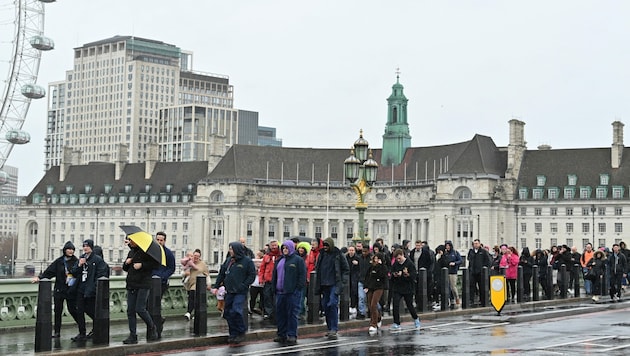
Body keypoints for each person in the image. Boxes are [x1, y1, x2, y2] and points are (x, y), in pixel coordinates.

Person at [31, 241, 79, 338]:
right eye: (69, 249)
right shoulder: (59, 261)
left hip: (71, 290)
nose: (71, 251)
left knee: (73, 310)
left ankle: (82, 329)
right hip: (59, 289)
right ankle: (57, 332)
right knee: (58, 311)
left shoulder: (76, 261)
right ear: (64, 250)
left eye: (72, 249)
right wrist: (40, 278)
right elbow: (49, 272)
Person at [212, 241, 256, 344]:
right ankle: (233, 332)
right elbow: (221, 274)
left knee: (236, 310)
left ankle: (241, 331)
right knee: (227, 312)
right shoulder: (228, 261)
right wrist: (216, 286)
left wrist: (244, 285)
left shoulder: (247, 261)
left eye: (231, 249)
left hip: (240, 291)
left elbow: (251, 276)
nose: (230, 251)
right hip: (229, 291)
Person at [122, 236, 160, 344]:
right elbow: (125, 268)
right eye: (129, 240)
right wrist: (126, 263)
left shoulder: (147, 251)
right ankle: (133, 335)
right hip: (131, 283)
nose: (129, 242)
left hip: (143, 283)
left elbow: (155, 265)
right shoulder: (131, 252)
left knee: (140, 308)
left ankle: (152, 326)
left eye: (131, 240)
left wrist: (142, 265)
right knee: (130, 310)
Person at [70, 239, 109, 342]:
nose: (85, 248)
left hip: (91, 290)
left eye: (87, 246)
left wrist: (94, 287)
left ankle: (98, 328)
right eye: (84, 246)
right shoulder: (82, 258)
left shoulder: (97, 260)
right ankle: (82, 333)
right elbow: (73, 272)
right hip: (81, 289)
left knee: (91, 310)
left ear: (91, 247)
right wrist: (79, 265)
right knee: (79, 311)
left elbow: (101, 275)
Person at [271, 240, 306, 346]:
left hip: (292, 292)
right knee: (281, 314)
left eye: (286, 248)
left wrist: (297, 289)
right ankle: (281, 334)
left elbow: (302, 275)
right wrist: (274, 288)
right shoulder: (279, 260)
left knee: (292, 314)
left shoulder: (298, 260)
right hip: (280, 292)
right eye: (283, 248)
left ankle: (292, 335)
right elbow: (275, 275)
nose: (285, 250)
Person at [314, 237, 349, 340]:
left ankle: (334, 328)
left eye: (327, 245)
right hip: (324, 285)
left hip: (334, 283)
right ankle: (329, 328)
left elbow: (346, 269)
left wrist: (342, 283)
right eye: (324, 245)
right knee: (325, 306)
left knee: (332, 304)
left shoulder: (338, 254)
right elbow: (318, 268)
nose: (325, 247)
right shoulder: (321, 255)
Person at [389, 248, 421, 331]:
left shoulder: (409, 263)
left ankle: (416, 318)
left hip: (407, 287)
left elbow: (413, 276)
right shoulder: (395, 264)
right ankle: (396, 323)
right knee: (395, 305)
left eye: (399, 258)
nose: (398, 260)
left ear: (403, 255)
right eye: (397, 259)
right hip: (398, 287)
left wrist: (405, 274)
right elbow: (391, 273)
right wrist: (395, 275)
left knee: (409, 305)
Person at [182, 249, 210, 321]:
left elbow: (207, 274)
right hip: (189, 283)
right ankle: (195, 313)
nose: (196, 257)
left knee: (192, 296)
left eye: (198, 256)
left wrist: (209, 284)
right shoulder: (189, 262)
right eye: (195, 256)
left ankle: (188, 313)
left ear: (200, 257)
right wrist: (185, 273)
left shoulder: (203, 264)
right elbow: (183, 271)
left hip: (198, 284)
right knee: (193, 299)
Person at [364, 252, 387, 333]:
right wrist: (366, 286)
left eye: (377, 259)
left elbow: (382, 275)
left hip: (379, 287)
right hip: (371, 287)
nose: (376, 260)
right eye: (375, 258)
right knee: (370, 305)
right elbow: (367, 277)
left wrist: (380, 266)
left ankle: (373, 324)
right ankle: (378, 317)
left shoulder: (383, 267)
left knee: (374, 304)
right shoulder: (371, 267)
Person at [258, 239, 281, 321]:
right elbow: (262, 268)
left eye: (275, 245)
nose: (274, 247)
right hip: (268, 280)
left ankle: (276, 313)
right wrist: (261, 279)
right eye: (272, 246)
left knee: (276, 297)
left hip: (278, 281)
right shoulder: (267, 256)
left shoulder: (281, 256)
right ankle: (269, 313)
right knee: (267, 297)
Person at [467, 239, 492, 306]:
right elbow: (469, 260)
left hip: (481, 272)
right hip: (473, 272)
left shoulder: (483, 251)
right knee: (471, 286)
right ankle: (471, 300)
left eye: (477, 243)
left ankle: (482, 300)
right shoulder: (471, 251)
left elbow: (488, 261)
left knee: (481, 287)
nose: (475, 245)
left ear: (479, 244)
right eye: (474, 243)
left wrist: (485, 269)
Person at [152, 232, 176, 298]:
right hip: (150, 281)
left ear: (164, 241)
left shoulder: (168, 253)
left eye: (161, 240)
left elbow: (172, 268)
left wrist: (162, 276)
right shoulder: (151, 252)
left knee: (156, 302)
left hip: (161, 283)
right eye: (157, 240)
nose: (159, 242)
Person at [444, 241, 462, 306]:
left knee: (453, 286)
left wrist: (454, 263)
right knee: (447, 287)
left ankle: (457, 298)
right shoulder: (445, 253)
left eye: (448, 246)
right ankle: (451, 299)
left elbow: (460, 260)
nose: (447, 247)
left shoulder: (455, 253)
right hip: (446, 271)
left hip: (453, 271)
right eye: (446, 246)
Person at [345, 245, 361, 316]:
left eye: (352, 250)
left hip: (355, 276)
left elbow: (361, 267)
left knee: (354, 291)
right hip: (347, 276)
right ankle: (350, 306)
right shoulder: (345, 257)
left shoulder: (357, 258)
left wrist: (357, 264)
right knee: (347, 291)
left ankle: (354, 306)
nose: (351, 252)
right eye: (350, 250)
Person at [249, 251, 264, 315]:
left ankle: (260, 308)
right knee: (253, 298)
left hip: (261, 283)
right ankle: (252, 309)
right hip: (255, 283)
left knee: (261, 298)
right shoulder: (253, 264)